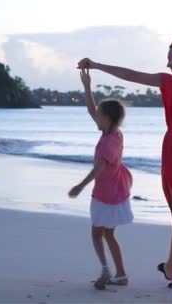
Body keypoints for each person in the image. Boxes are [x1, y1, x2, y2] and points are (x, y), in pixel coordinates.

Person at [78, 39, 172, 290]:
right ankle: (170, 267)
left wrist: (98, 66)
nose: (167, 62)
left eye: (170, 56)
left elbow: (131, 75)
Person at [68, 68, 134, 290]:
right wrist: (87, 86)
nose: (95, 117)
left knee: (97, 234)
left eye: (99, 115)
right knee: (108, 233)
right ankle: (121, 274)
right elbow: (91, 109)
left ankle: (106, 270)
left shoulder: (108, 142)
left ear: (107, 118)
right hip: (118, 190)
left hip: (106, 193)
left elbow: (98, 169)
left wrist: (80, 185)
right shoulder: (114, 133)